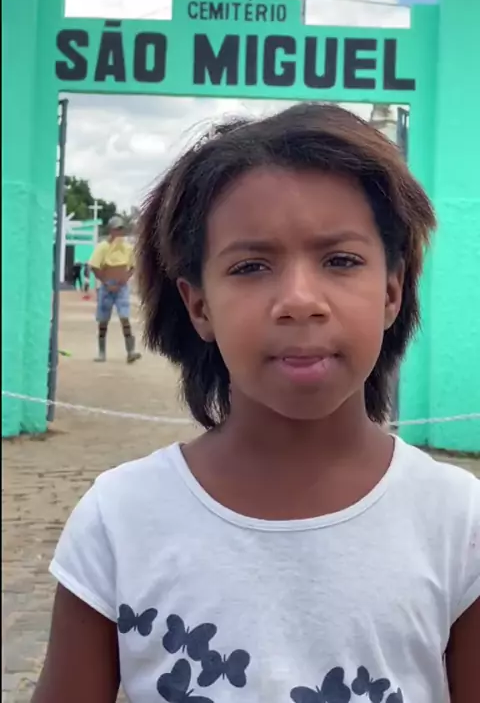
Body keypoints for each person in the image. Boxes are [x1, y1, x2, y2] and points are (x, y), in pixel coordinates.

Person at [32, 104, 479, 703]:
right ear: (199, 306)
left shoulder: (458, 522)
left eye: (341, 260)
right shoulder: (120, 520)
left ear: (392, 291)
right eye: (251, 266)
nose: (299, 300)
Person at [88, 215, 141, 363]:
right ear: (111, 230)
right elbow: (94, 266)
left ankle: (130, 351)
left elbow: (132, 267)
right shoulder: (103, 247)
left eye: (121, 229)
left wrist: (126, 278)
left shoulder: (127, 248)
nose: (119, 232)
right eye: (117, 229)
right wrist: (106, 282)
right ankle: (101, 352)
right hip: (107, 287)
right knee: (103, 320)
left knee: (125, 317)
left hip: (121, 286)